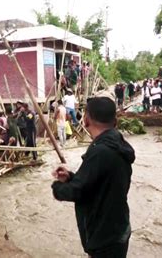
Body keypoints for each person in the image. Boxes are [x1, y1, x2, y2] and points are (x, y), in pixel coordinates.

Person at [51, 97, 135, 257]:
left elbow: (77, 192)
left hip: (104, 235)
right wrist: (70, 177)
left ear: (86, 119)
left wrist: (57, 187)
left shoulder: (100, 151)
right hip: (118, 226)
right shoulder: (117, 143)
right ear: (115, 121)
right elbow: (98, 183)